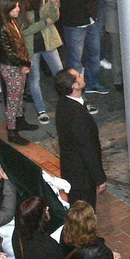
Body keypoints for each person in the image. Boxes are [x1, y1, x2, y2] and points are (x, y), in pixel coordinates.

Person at [54, 68, 105, 204]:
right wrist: (99, 178)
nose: (82, 75)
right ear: (74, 86)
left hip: (71, 169)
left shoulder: (64, 103)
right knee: (84, 210)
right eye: (78, 76)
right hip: (82, 175)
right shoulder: (77, 115)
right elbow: (87, 148)